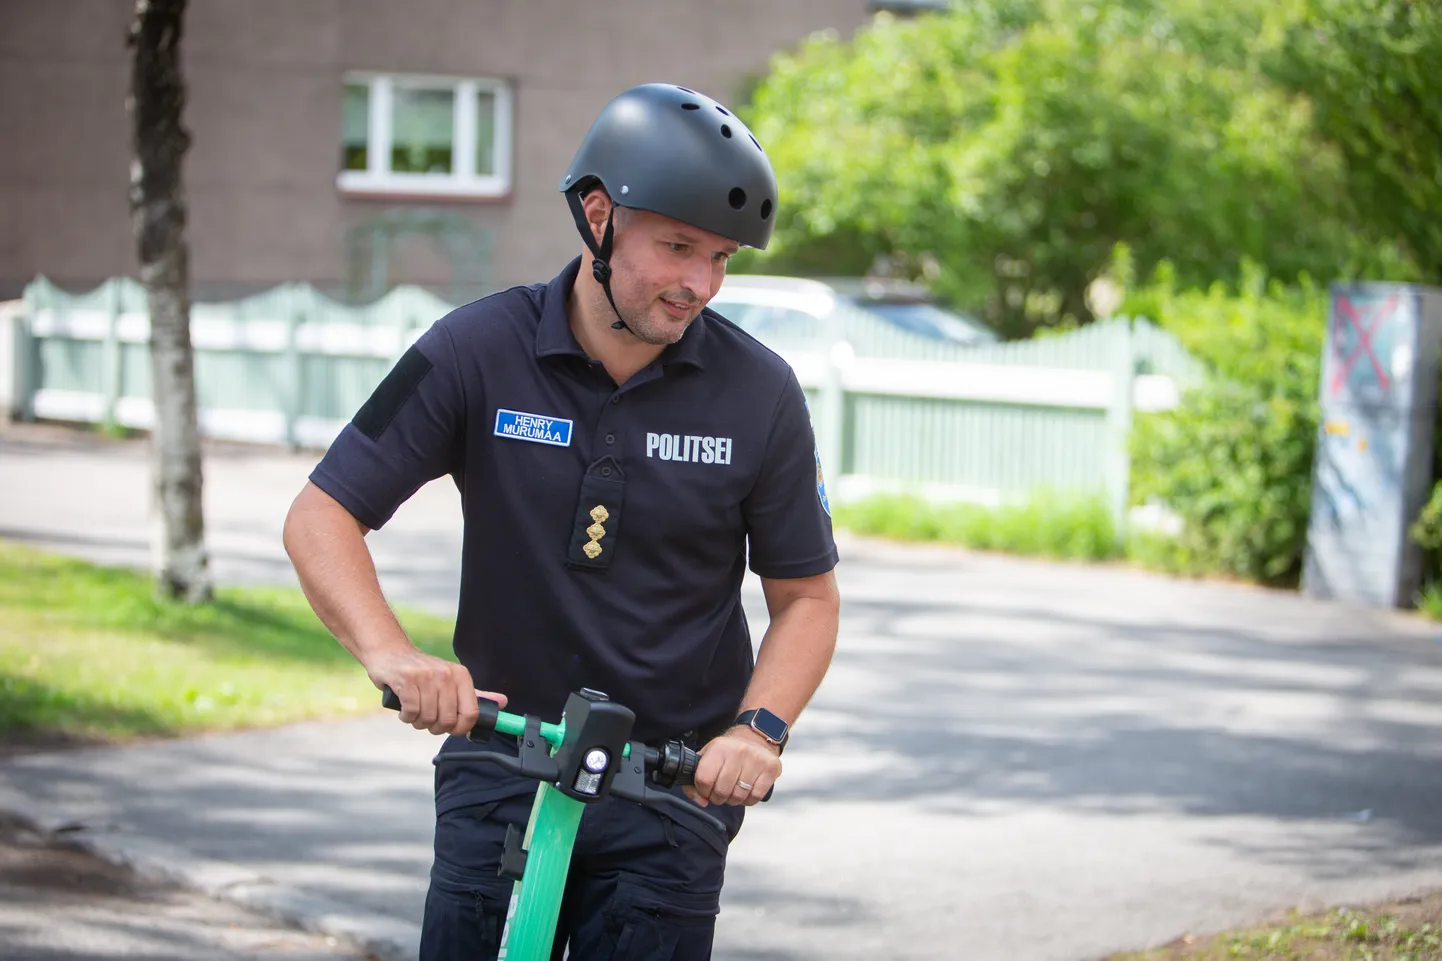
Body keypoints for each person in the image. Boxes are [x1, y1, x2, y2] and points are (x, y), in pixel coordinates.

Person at [282, 82, 840, 961]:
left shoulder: (760, 392)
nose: (700, 283)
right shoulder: (474, 350)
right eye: (678, 246)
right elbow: (322, 514)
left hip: (674, 784)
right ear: (597, 215)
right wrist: (391, 652)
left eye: (722, 257)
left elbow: (806, 595)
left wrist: (756, 730)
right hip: (501, 754)